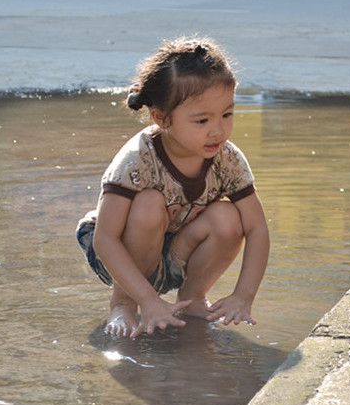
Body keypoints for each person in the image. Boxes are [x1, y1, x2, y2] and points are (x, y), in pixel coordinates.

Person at [76, 36, 269, 339]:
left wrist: (243, 295)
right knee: (149, 203)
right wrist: (148, 301)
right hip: (118, 255)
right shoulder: (137, 159)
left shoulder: (227, 159)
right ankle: (123, 303)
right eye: (202, 120)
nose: (217, 129)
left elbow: (257, 228)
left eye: (227, 114)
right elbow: (106, 239)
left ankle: (191, 299)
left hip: (176, 250)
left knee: (229, 216)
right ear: (161, 118)